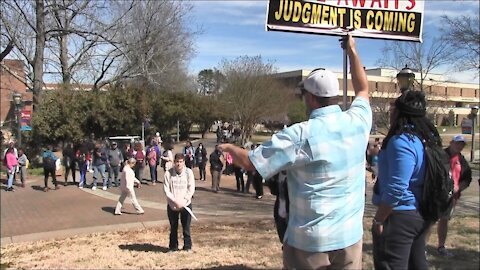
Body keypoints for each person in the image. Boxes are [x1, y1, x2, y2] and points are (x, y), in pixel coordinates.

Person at [219, 34, 371, 269]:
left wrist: (228, 147)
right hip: (350, 237)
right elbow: (363, 88)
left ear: (310, 98)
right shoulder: (358, 121)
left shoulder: (300, 134)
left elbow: (251, 162)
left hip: (309, 242)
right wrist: (352, 50)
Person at [371, 90, 440, 269]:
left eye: (393, 110)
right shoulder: (423, 139)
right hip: (419, 213)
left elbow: (397, 186)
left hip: (400, 215)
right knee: (417, 264)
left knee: (391, 264)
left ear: (400, 113)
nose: (390, 113)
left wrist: (379, 219)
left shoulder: (401, 141)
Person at [429, 135, 472, 257]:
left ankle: (441, 246)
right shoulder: (440, 156)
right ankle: (421, 246)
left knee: (444, 220)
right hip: (436, 194)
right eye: (458, 143)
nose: (459, 146)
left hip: (452, 197)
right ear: (451, 142)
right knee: (430, 220)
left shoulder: (462, 161)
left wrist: (459, 188)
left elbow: (467, 178)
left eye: (462, 144)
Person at [163, 153, 195, 252]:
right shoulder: (168, 173)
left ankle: (187, 246)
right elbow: (166, 190)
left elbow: (191, 188)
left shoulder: (188, 172)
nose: (179, 164)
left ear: (184, 162)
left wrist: (184, 200)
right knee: (173, 227)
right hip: (172, 205)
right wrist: (175, 200)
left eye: (181, 162)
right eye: (177, 162)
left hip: (185, 205)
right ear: (174, 162)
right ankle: (173, 247)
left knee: (186, 227)